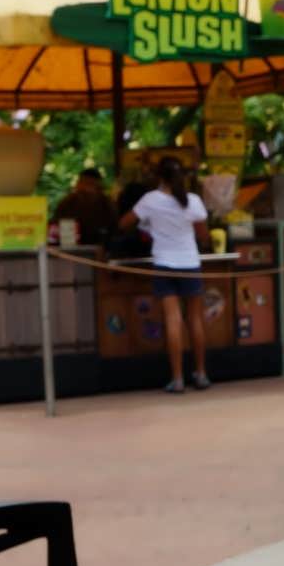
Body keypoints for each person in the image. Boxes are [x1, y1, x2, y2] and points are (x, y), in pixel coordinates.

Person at [119, 157, 210, 393]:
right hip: (190, 263)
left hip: (165, 264)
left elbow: (124, 223)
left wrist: (149, 226)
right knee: (195, 320)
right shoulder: (193, 201)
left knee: (173, 320)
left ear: (159, 176)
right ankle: (200, 374)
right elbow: (203, 235)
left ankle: (177, 378)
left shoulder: (150, 200)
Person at [53, 167, 117, 246]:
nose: (86, 188)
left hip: (101, 248)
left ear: (98, 187)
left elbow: (113, 230)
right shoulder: (68, 203)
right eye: (82, 183)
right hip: (71, 248)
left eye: (90, 184)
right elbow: (57, 227)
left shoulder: (107, 205)